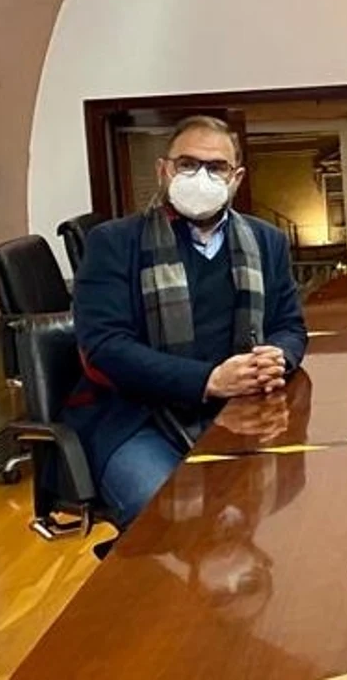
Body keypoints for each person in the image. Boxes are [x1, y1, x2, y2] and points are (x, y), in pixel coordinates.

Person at [65, 116, 308, 528]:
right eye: (187, 164)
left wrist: (278, 356)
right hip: (134, 418)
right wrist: (208, 380)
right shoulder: (114, 242)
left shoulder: (266, 241)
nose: (201, 176)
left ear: (236, 178)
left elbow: (290, 324)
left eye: (216, 168)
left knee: (282, 497)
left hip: (241, 408)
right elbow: (104, 348)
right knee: (164, 509)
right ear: (164, 170)